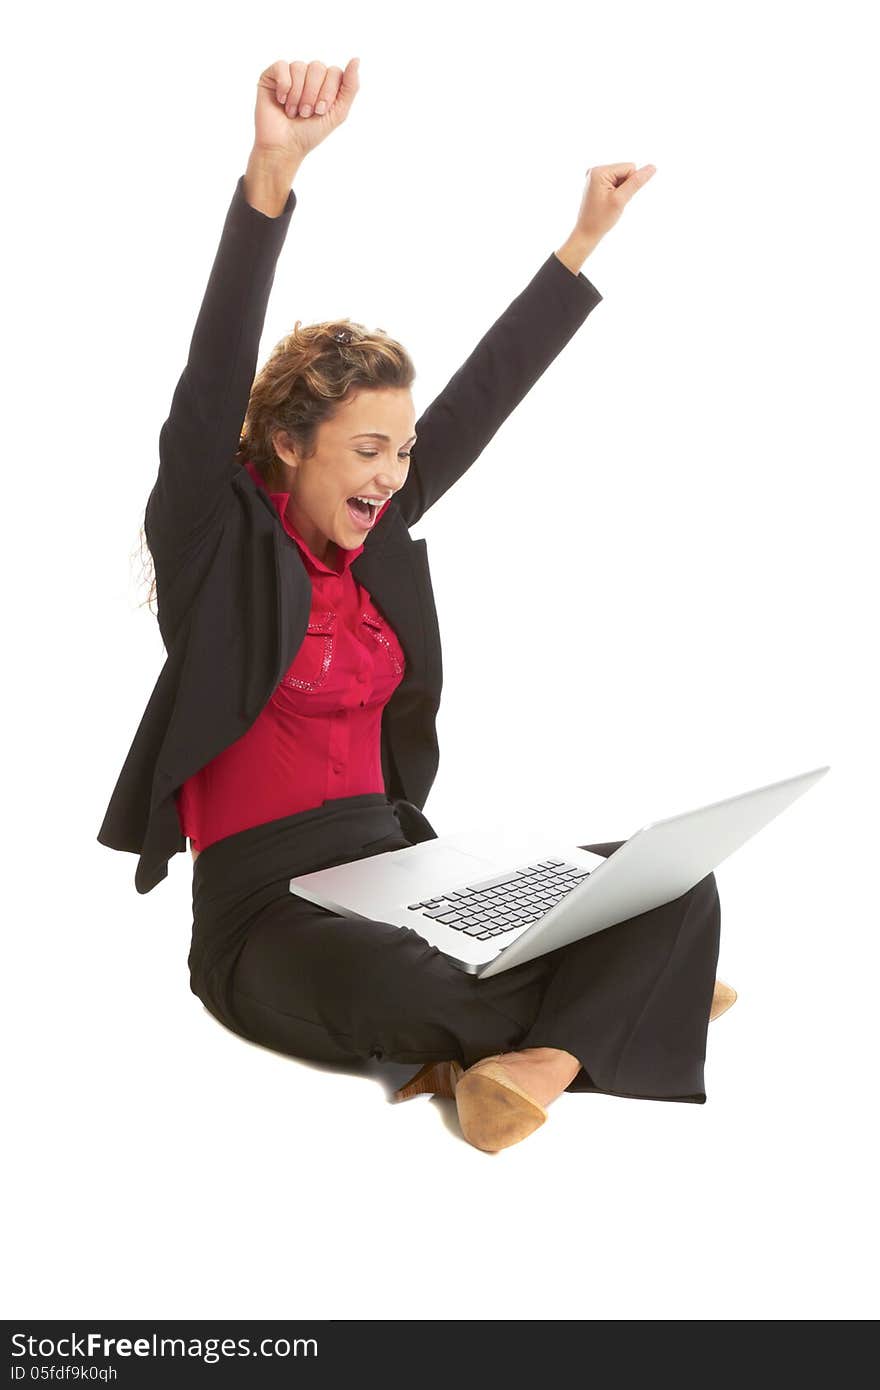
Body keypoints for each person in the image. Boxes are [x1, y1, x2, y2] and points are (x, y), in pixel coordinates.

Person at [99, 55, 736, 1154]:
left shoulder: (378, 532)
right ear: (290, 445)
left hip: (403, 873)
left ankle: (544, 1048)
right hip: (270, 919)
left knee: (674, 884)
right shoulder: (211, 540)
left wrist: (579, 242)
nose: (393, 473)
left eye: (400, 448)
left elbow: (485, 393)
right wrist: (271, 172)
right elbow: (210, 382)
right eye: (366, 448)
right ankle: (613, 1010)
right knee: (410, 981)